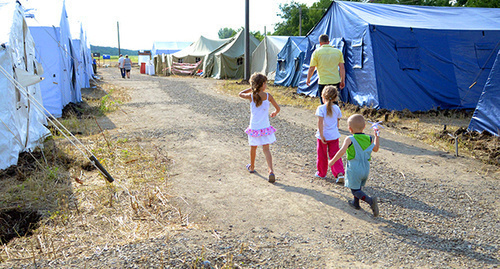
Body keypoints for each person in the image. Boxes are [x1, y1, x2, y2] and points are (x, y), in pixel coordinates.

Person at [328, 114, 380, 217]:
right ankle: (355, 203)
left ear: (349, 128)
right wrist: (376, 136)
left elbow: (342, 151)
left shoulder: (349, 139)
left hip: (354, 167)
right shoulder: (369, 138)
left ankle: (370, 201)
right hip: (365, 168)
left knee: (355, 190)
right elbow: (376, 149)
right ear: (364, 127)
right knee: (358, 186)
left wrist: (332, 161)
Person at [239, 73, 280, 183]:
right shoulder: (268, 96)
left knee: (253, 148)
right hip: (265, 127)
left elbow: (240, 93)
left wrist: (252, 88)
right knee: (266, 150)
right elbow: (278, 108)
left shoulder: (251, 96)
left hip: (254, 128)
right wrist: (274, 113)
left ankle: (252, 167)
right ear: (262, 84)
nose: (266, 85)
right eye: (265, 83)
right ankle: (271, 170)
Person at [315, 86, 345, 183]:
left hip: (323, 136)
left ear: (323, 97)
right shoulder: (336, 108)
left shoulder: (321, 108)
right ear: (336, 97)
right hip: (334, 136)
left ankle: (321, 173)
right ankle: (339, 173)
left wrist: (321, 134)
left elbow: (320, 123)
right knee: (335, 155)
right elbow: (337, 122)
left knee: (322, 155)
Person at [306, 34, 345, 105]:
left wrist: (308, 79)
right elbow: (342, 68)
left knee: (324, 104)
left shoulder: (316, 52)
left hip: (323, 81)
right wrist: (342, 80)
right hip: (335, 81)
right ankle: (335, 115)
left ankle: (325, 115)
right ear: (328, 42)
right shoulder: (338, 52)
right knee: (334, 103)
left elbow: (312, 68)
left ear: (320, 43)